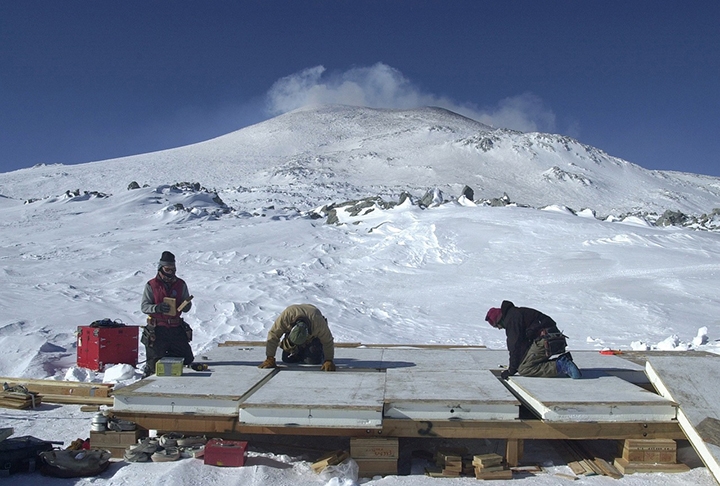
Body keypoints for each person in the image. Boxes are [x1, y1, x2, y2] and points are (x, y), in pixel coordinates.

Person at [485, 300, 581, 379]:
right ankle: (561, 362)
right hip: (554, 338)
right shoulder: (515, 313)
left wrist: (511, 370)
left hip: (546, 340)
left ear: (499, 320)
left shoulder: (512, 320)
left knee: (524, 369)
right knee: (524, 362)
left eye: (497, 326)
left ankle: (561, 365)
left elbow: (514, 347)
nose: (499, 328)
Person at [140, 251, 194, 377]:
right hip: (157, 329)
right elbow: (144, 306)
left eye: (173, 269)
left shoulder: (181, 284)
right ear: (161, 268)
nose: (171, 272)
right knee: (155, 365)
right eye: (168, 269)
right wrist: (157, 308)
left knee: (186, 359)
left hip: (175, 328)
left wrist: (186, 305)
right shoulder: (151, 285)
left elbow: (187, 307)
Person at [259, 304, 336, 371]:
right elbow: (273, 335)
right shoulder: (286, 317)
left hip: (312, 338)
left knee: (312, 361)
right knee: (287, 360)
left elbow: (327, 341)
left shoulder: (318, 323)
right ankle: (296, 349)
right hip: (292, 337)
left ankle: (314, 350)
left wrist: (328, 360)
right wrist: (270, 357)